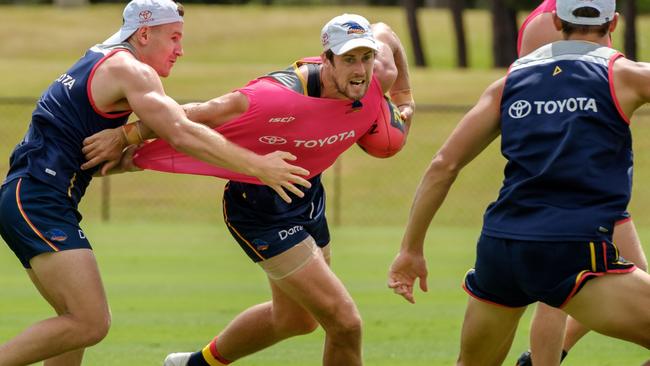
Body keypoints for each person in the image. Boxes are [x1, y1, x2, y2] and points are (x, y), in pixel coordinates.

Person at [81, 13, 414, 366]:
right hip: (259, 208)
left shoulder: (379, 74)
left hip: (306, 192)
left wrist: (405, 96)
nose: (360, 69)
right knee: (345, 323)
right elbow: (197, 114)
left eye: (365, 57)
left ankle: (194, 364)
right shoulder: (273, 96)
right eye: (348, 59)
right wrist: (124, 136)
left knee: (297, 320)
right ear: (327, 59)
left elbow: (388, 34)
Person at [0, 0, 312, 364]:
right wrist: (258, 165)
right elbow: (181, 132)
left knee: (73, 323)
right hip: (37, 200)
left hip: (32, 196)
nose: (181, 50)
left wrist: (128, 146)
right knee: (90, 322)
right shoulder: (131, 70)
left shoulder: (101, 57)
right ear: (144, 34)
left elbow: (95, 155)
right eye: (174, 37)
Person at [388, 1, 650, 365]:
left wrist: (410, 249)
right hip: (570, 251)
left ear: (557, 21)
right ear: (615, 22)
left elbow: (443, 165)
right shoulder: (625, 74)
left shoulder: (509, 82)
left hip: (501, 248)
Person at [516, 1, 648, 365]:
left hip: (596, 183)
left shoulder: (587, 10)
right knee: (559, 289)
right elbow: (548, 99)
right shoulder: (549, 21)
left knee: (604, 285)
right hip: (568, 189)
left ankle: (545, 357)